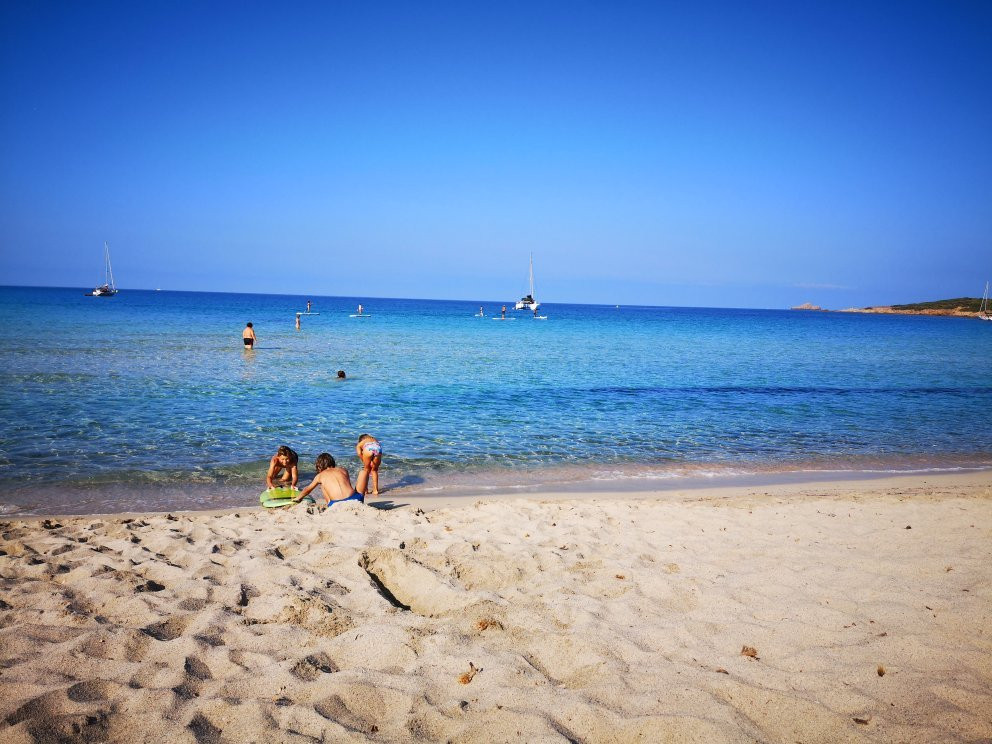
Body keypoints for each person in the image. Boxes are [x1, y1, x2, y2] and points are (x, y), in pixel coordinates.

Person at [293, 453, 366, 507]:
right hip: (355, 499)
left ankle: (329, 504)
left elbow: (308, 489)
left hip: (335, 504)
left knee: (322, 484)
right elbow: (347, 484)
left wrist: (298, 498)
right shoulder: (343, 470)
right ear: (332, 462)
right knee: (363, 472)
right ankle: (360, 498)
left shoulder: (320, 476)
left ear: (319, 467)